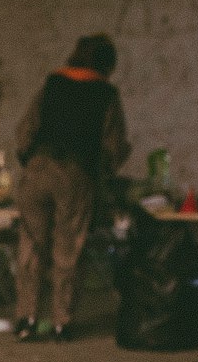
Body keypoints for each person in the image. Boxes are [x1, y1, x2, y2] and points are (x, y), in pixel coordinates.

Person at [10, 33, 130, 342]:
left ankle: (26, 319)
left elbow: (25, 130)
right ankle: (61, 322)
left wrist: (31, 160)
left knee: (31, 245)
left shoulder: (52, 84)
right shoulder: (106, 93)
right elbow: (113, 145)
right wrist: (105, 172)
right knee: (68, 248)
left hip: (37, 168)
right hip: (75, 173)